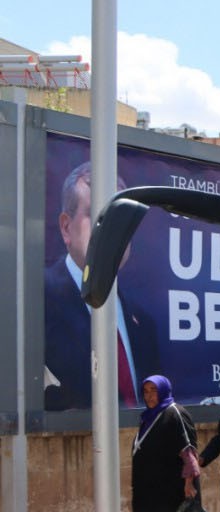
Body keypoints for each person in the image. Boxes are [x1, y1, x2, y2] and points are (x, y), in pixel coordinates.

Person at [43, 161, 161, 411]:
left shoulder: (144, 323)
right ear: (66, 227)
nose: (113, 229)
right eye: (97, 215)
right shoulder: (37, 301)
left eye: (122, 219)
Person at [125, 375, 220, 512]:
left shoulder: (174, 413)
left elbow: (188, 452)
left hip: (170, 494)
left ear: (163, 391)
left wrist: (189, 484)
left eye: (154, 390)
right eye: (146, 391)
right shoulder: (149, 417)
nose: (150, 396)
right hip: (148, 496)